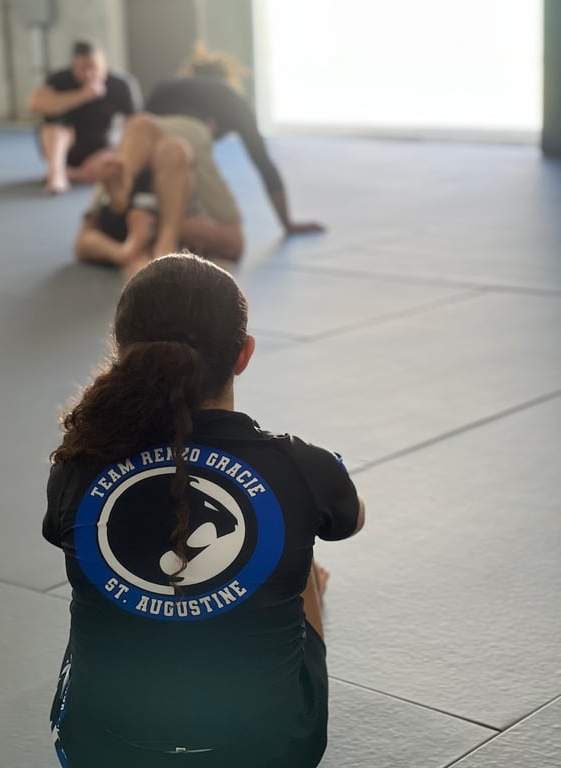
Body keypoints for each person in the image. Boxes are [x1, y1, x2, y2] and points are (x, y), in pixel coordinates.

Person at [44, 254, 365, 767]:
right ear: (244, 355)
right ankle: (306, 582)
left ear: (122, 349)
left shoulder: (79, 460)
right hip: (271, 752)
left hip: (99, 750)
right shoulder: (302, 466)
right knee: (295, 540)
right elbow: (352, 519)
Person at [145, 44, 325, 237]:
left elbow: (138, 133)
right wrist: (287, 223)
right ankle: (162, 226)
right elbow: (263, 164)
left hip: (151, 152)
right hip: (184, 150)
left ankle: (146, 222)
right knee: (229, 233)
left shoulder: (165, 86)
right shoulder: (230, 98)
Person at [75, 114, 243, 273]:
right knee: (161, 142)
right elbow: (234, 242)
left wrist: (132, 245)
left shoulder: (127, 156)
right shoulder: (188, 137)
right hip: (146, 148)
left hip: (139, 146)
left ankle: (162, 240)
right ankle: (165, 245)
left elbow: (83, 241)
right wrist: (128, 250)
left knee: (150, 135)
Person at [27, 39, 142, 194]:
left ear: (104, 63)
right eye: (82, 68)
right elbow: (34, 104)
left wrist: (117, 151)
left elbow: (135, 125)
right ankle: (57, 174)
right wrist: (83, 95)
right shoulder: (60, 79)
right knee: (53, 129)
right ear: (73, 65)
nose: (88, 74)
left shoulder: (121, 84)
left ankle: (74, 174)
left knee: (115, 165)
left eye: (93, 67)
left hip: (103, 149)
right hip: (64, 148)